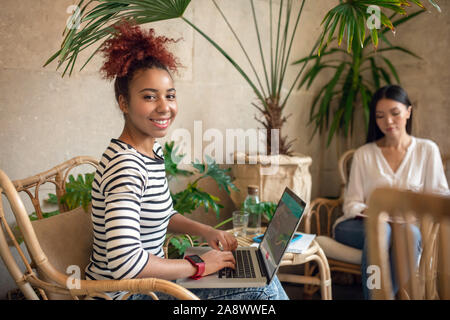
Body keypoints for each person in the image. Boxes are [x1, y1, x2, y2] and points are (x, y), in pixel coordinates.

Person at [84, 20, 288, 301]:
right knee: (261, 288)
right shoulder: (126, 167)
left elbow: (162, 215)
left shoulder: (148, 154)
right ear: (123, 103)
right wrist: (199, 266)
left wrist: (204, 230)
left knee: (263, 276)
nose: (164, 106)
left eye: (170, 95)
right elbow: (125, 264)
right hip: (127, 295)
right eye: (149, 97)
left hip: (151, 286)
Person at [333, 85, 449, 299]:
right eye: (380, 116)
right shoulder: (364, 154)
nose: (388, 121)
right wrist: (380, 214)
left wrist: (411, 214)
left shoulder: (427, 150)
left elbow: (441, 198)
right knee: (381, 230)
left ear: (408, 112)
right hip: (356, 226)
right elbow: (351, 204)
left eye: (395, 113)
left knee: (407, 233)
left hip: (410, 228)